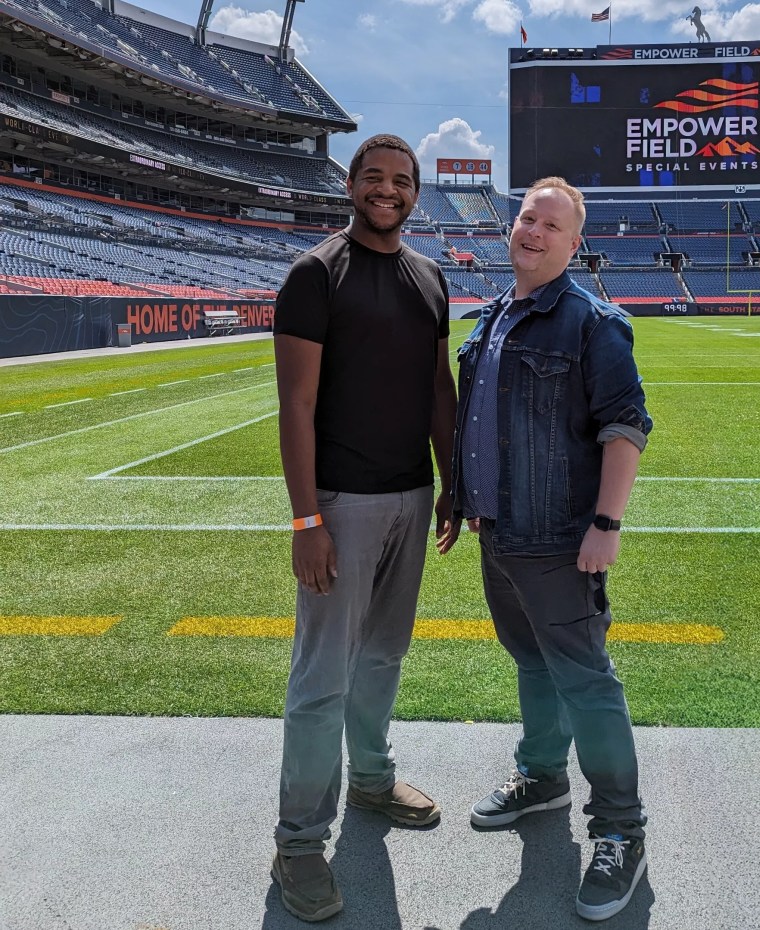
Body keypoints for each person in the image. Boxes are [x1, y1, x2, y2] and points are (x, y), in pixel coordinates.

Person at [453, 177, 653, 922]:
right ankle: (543, 775)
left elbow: (626, 427)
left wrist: (606, 524)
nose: (532, 231)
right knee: (531, 661)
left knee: (586, 680)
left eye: (551, 225)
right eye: (526, 218)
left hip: (560, 537)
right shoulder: (496, 315)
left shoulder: (591, 322)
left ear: (575, 245)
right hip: (498, 532)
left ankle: (621, 830)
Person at [271, 133, 460, 922]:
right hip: (341, 506)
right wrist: (307, 516)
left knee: (384, 656)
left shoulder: (430, 275)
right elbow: (297, 407)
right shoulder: (315, 274)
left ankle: (373, 781)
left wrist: (455, 482)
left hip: (412, 498)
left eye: (403, 181)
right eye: (374, 177)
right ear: (350, 185)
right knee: (322, 679)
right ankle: (299, 842)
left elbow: (438, 392)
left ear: (416, 193)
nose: (389, 190)